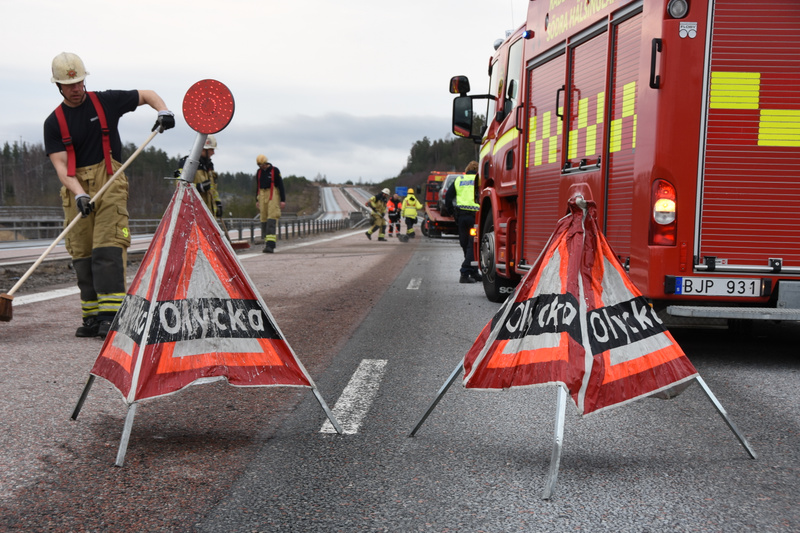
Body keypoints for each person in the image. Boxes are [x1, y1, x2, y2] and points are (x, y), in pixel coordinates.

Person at [43, 52, 175, 338]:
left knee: (107, 248)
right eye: (70, 85)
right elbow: (61, 167)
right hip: (76, 187)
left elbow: (147, 94)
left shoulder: (105, 101)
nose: (76, 88)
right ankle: (91, 316)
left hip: (110, 182)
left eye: (79, 82)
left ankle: (112, 316)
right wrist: (79, 194)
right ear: (59, 86)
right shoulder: (53, 123)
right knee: (82, 252)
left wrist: (163, 110)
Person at [445, 161, 482, 283]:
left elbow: (448, 197)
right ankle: (465, 272)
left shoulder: (459, 180)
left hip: (461, 216)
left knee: (465, 244)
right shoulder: (480, 180)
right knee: (473, 244)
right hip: (475, 217)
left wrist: (451, 212)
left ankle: (474, 271)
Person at [178, 135, 221, 217]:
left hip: (209, 216)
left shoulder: (209, 167)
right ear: (203, 149)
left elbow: (213, 190)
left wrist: (218, 203)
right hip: (194, 215)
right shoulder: (186, 164)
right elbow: (179, 186)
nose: (213, 153)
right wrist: (199, 187)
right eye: (212, 149)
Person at [255, 154, 286, 253]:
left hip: (273, 194)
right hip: (262, 195)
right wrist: (257, 200)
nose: (262, 167)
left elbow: (281, 185)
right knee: (263, 219)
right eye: (260, 165)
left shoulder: (274, 171)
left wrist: (282, 200)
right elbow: (257, 187)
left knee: (271, 218)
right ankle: (266, 241)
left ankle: (270, 245)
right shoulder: (259, 172)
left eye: (263, 165)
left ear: (266, 163)